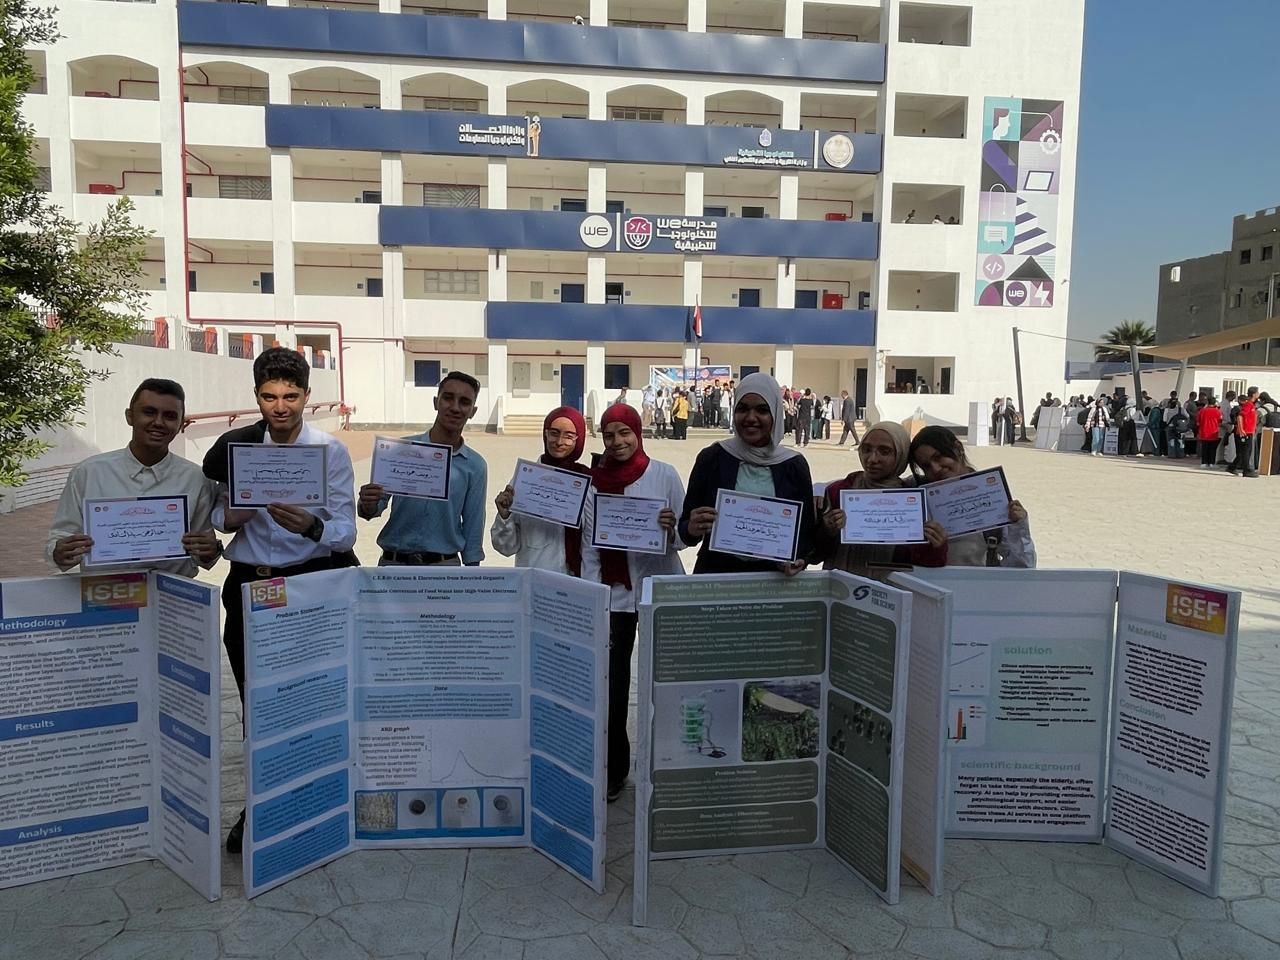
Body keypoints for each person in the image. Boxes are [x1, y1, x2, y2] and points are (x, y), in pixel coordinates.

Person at [204, 347, 358, 854]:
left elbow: (345, 530)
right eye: (270, 396)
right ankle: (260, 804)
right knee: (255, 699)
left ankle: (314, 795)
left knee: (307, 697)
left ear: (307, 396)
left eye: (291, 396)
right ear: (257, 397)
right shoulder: (239, 447)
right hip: (249, 585)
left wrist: (312, 526)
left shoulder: (329, 452)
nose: (281, 406)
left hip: (306, 586)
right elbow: (217, 518)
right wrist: (235, 514)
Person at [581, 405, 686, 802]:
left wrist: (672, 529)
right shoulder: (594, 485)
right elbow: (591, 546)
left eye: (624, 432)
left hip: (659, 590)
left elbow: (684, 537)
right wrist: (596, 597)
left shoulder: (664, 474)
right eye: (609, 435)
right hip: (616, 595)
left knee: (667, 680)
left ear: (638, 433)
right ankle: (615, 768)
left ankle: (672, 762)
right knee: (613, 685)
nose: (617, 441)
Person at [48, 378, 221, 576]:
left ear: (181, 423)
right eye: (149, 412)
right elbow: (60, 538)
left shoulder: (196, 479)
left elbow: (203, 551)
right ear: (130, 416)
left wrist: (210, 551)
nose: (158, 422)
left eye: (170, 416)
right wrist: (60, 552)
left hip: (172, 592)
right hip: (105, 591)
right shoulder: (88, 473)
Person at [679, 373, 817, 575]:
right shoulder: (712, 458)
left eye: (762, 410)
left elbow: (806, 534)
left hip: (774, 581)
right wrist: (692, 527)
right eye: (742, 409)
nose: (751, 418)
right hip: (716, 578)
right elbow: (686, 531)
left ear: (776, 413)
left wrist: (799, 559)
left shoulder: (793, 465)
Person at [358, 371, 488, 565]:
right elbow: (373, 508)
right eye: (448, 398)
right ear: (436, 402)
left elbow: (473, 527)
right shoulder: (399, 451)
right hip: (394, 565)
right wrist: (368, 503)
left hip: (444, 568)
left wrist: (472, 574)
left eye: (464, 402)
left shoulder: (475, 466)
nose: (455, 407)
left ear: (473, 411)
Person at [816, 422, 947, 578]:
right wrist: (827, 531)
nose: (872, 459)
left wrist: (935, 545)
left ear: (901, 454)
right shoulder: (838, 491)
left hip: (891, 589)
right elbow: (814, 554)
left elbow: (924, 562)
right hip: (841, 587)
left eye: (884, 451)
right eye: (866, 449)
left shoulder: (913, 502)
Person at [908, 426, 1036, 567]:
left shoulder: (991, 494)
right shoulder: (916, 498)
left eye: (938, 457)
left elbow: (1021, 566)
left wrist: (1019, 527)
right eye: (926, 466)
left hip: (976, 580)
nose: (935, 468)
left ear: (958, 448)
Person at [491, 406, 590, 574]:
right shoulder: (525, 481)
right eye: (554, 433)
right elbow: (506, 547)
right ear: (545, 434)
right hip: (535, 581)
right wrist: (504, 517)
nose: (559, 441)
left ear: (578, 440)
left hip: (577, 582)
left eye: (569, 436)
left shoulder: (587, 484)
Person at [1229, 387, 1259, 478]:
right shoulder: (1248, 404)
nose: (1258, 394)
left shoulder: (1251, 405)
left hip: (1249, 431)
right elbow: (1240, 416)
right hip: (1245, 432)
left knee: (1243, 452)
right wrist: (1241, 429)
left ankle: (1232, 467)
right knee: (1246, 452)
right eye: (1257, 392)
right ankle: (1246, 471)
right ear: (1254, 394)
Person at [1196, 397, 1222, 469]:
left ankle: (1204, 462)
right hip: (1213, 432)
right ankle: (1211, 463)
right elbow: (1220, 421)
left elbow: (1198, 422)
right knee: (1212, 449)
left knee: (1204, 448)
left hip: (1204, 432)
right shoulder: (1217, 411)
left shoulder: (1202, 411)